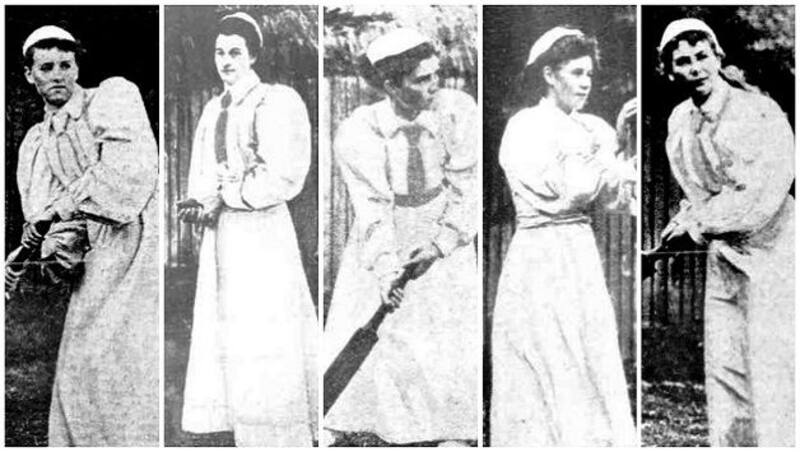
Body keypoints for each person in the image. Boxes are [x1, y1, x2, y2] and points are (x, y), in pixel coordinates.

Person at [323, 28, 479, 445]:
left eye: (436, 74)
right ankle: (360, 422)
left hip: (441, 229)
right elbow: (372, 206)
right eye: (421, 79)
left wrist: (442, 243)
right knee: (381, 332)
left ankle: (451, 429)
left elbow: (469, 186)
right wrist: (388, 269)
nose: (435, 85)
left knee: (444, 333)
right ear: (391, 85)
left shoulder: (457, 112)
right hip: (388, 228)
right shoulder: (360, 129)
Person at [5, 25, 158, 445]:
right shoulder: (38, 140)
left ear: (77, 67)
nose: (58, 75)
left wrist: (57, 213)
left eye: (66, 65)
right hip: (93, 253)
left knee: (121, 354)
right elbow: (42, 215)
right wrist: (22, 254)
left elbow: (125, 178)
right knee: (82, 361)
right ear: (28, 75)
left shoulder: (111, 98)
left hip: (132, 241)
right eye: (46, 67)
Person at [490, 26, 637, 446]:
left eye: (589, 74)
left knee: (587, 347)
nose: (585, 82)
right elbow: (571, 189)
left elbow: (611, 198)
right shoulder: (526, 127)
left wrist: (621, 146)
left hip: (579, 251)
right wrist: (609, 152)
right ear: (549, 75)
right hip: (540, 252)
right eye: (575, 73)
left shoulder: (591, 128)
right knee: (547, 348)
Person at [178, 12, 317, 446]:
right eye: (219, 52)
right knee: (230, 326)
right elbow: (202, 173)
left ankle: (277, 430)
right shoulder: (213, 108)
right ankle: (240, 423)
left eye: (235, 52)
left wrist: (230, 194)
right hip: (224, 238)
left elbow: (285, 175)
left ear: (254, 54)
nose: (226, 60)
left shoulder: (276, 101)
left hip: (263, 232)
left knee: (265, 324)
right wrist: (200, 203)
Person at [657, 18, 794, 446]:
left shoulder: (756, 111)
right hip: (724, 253)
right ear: (671, 71)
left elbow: (756, 197)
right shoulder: (681, 121)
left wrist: (696, 226)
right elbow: (699, 193)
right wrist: (683, 222)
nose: (695, 67)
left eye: (702, 56)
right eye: (683, 61)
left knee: (771, 362)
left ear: (717, 58)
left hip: (773, 248)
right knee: (726, 362)